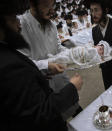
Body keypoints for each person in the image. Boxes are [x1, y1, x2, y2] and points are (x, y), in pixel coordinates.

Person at [0, 0, 83, 130]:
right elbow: (22, 62)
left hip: (60, 81)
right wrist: (47, 65)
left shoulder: (51, 25)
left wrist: (76, 54)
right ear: (34, 5)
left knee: (76, 112)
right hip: (41, 90)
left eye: (53, 5)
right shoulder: (23, 25)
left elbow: (58, 49)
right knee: (57, 118)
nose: (52, 10)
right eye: (46, 6)